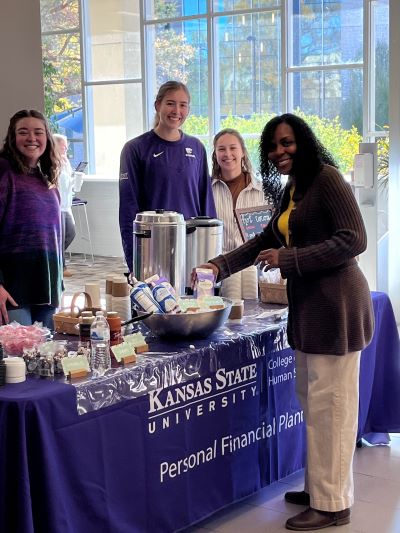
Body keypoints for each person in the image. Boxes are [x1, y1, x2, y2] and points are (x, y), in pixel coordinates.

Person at [194, 113, 374, 531]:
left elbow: (354, 239)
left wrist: (290, 259)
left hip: (337, 310)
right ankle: (319, 488)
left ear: (304, 142)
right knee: (316, 404)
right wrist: (217, 266)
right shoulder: (296, 187)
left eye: (287, 143)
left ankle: (333, 506)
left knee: (332, 408)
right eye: (274, 146)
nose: (279, 152)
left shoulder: (327, 178)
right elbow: (265, 241)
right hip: (312, 312)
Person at [119, 80, 217, 272]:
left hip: (191, 248)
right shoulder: (135, 149)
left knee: (192, 301)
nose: (177, 111)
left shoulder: (197, 148)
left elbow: (206, 204)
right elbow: (128, 210)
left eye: (183, 105)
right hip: (152, 250)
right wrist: (134, 260)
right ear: (158, 105)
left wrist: (211, 256)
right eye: (170, 103)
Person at [0, 109, 62, 329]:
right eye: (23, 132)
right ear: (12, 137)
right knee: (20, 359)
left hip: (47, 289)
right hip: (13, 290)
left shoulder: (46, 177)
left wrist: (59, 283)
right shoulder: (4, 171)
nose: (32, 138)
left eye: (38, 132)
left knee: (45, 360)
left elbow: (53, 235)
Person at [211, 128, 271, 298]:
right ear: (215, 154)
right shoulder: (206, 191)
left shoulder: (264, 190)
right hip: (218, 276)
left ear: (243, 152)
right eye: (221, 149)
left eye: (233, 148)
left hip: (256, 275)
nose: (227, 154)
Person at [53, 133, 76, 278]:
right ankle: (61, 266)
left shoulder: (66, 162)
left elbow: (68, 183)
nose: (66, 149)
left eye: (66, 146)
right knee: (60, 237)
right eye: (63, 146)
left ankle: (57, 259)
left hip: (66, 205)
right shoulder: (52, 162)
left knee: (70, 233)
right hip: (57, 206)